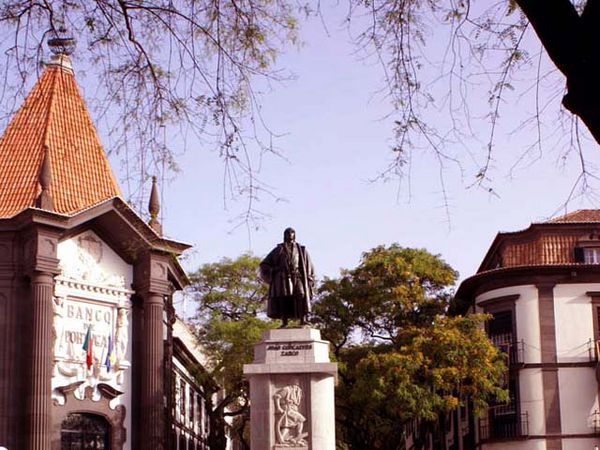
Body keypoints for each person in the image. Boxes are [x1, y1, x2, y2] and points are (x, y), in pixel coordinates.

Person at [260, 227, 315, 327]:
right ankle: (284, 322)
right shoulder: (278, 249)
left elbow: (309, 265)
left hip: (297, 276)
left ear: (295, 235)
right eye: (288, 233)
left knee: (301, 295)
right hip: (283, 278)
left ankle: (303, 320)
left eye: (292, 233)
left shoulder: (301, 249)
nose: (290, 235)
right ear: (284, 235)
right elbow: (264, 264)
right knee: (284, 298)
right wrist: (275, 270)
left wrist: (309, 278)